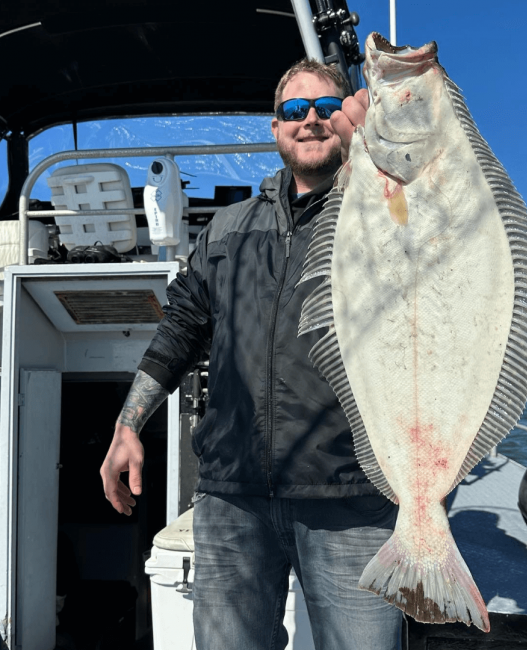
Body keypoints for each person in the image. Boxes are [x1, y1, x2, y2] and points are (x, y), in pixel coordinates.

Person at [100, 59, 403, 650]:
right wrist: (128, 422)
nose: (310, 120)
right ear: (275, 128)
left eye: (327, 109)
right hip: (232, 496)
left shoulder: (385, 212)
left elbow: (438, 259)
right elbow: (182, 326)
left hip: (350, 498)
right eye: (295, 110)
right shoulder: (229, 228)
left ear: (348, 122)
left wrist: (383, 158)